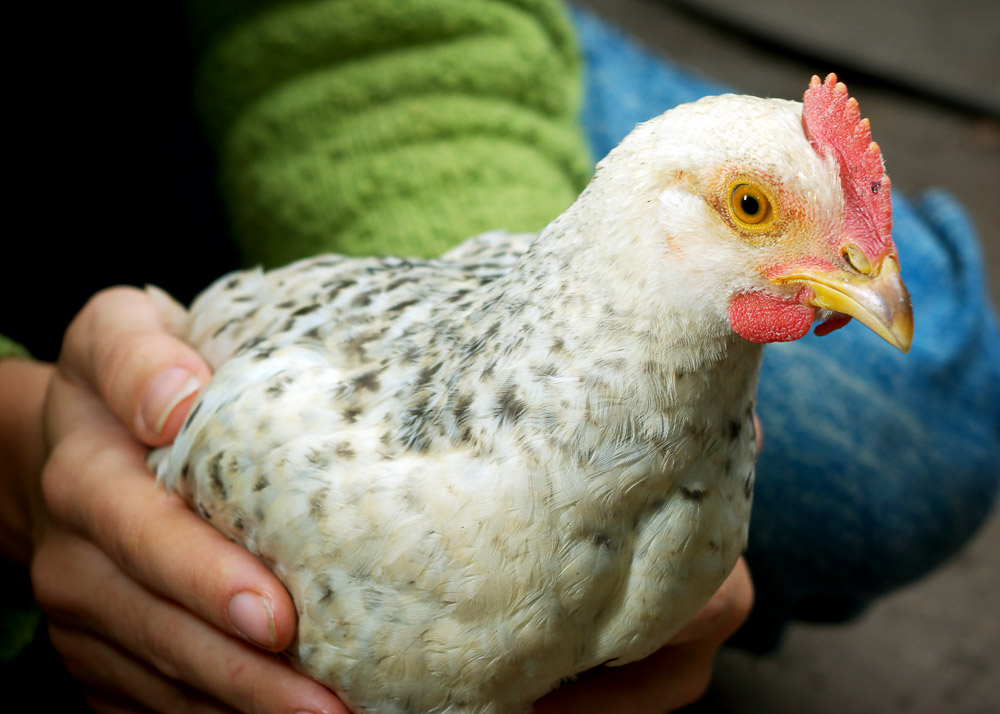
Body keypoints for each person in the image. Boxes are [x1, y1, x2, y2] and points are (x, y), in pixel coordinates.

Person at [2, 1, 998, 712]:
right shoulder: (344, 490)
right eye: (752, 208)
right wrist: (22, 453)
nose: (870, 276)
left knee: (915, 423)